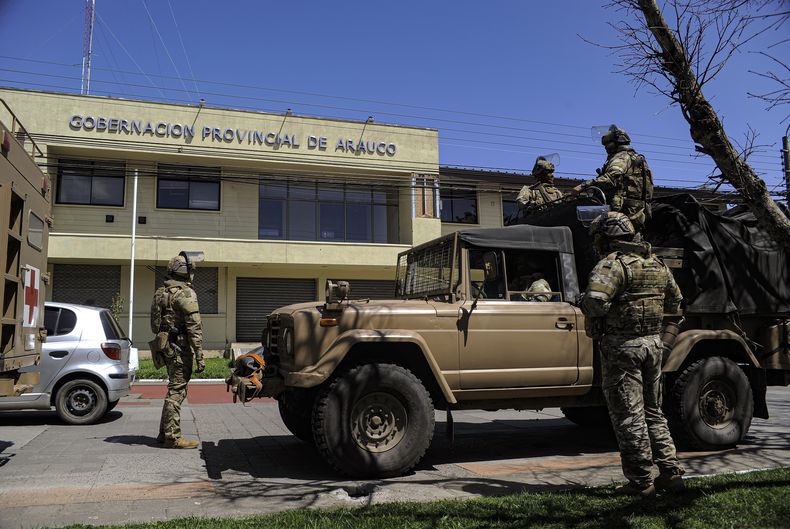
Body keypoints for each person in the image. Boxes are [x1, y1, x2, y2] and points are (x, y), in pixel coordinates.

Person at [579, 212, 685, 496]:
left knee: (629, 416)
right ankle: (671, 473)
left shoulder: (612, 265)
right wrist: (663, 342)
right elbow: (676, 304)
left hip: (622, 349)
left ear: (607, 238)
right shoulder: (657, 264)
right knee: (654, 413)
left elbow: (595, 303)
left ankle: (641, 482)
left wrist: (583, 302)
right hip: (652, 346)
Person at [151, 252, 205, 449]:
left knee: (173, 387)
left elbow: (154, 324)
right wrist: (199, 354)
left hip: (165, 347)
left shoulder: (160, 292)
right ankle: (172, 437)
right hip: (179, 349)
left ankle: (163, 433)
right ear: (185, 272)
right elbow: (194, 327)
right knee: (177, 390)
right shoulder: (186, 293)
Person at [571, 126, 653, 231]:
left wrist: (583, 185)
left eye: (607, 144)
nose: (606, 148)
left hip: (623, 210)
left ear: (616, 143)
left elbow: (611, 178)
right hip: (637, 210)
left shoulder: (621, 157)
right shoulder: (635, 157)